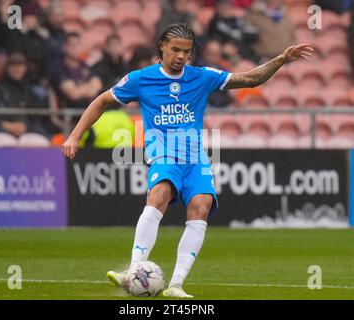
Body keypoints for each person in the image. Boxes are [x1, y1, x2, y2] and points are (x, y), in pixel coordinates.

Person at [61, 23, 313, 298]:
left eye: (186, 51)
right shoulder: (140, 79)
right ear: (162, 48)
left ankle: (176, 285)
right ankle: (134, 270)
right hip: (163, 153)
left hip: (195, 157)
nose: (181, 56)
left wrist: (282, 59)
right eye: (175, 50)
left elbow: (250, 79)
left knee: (201, 205)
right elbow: (101, 101)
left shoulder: (202, 77)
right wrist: (74, 135)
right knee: (159, 193)